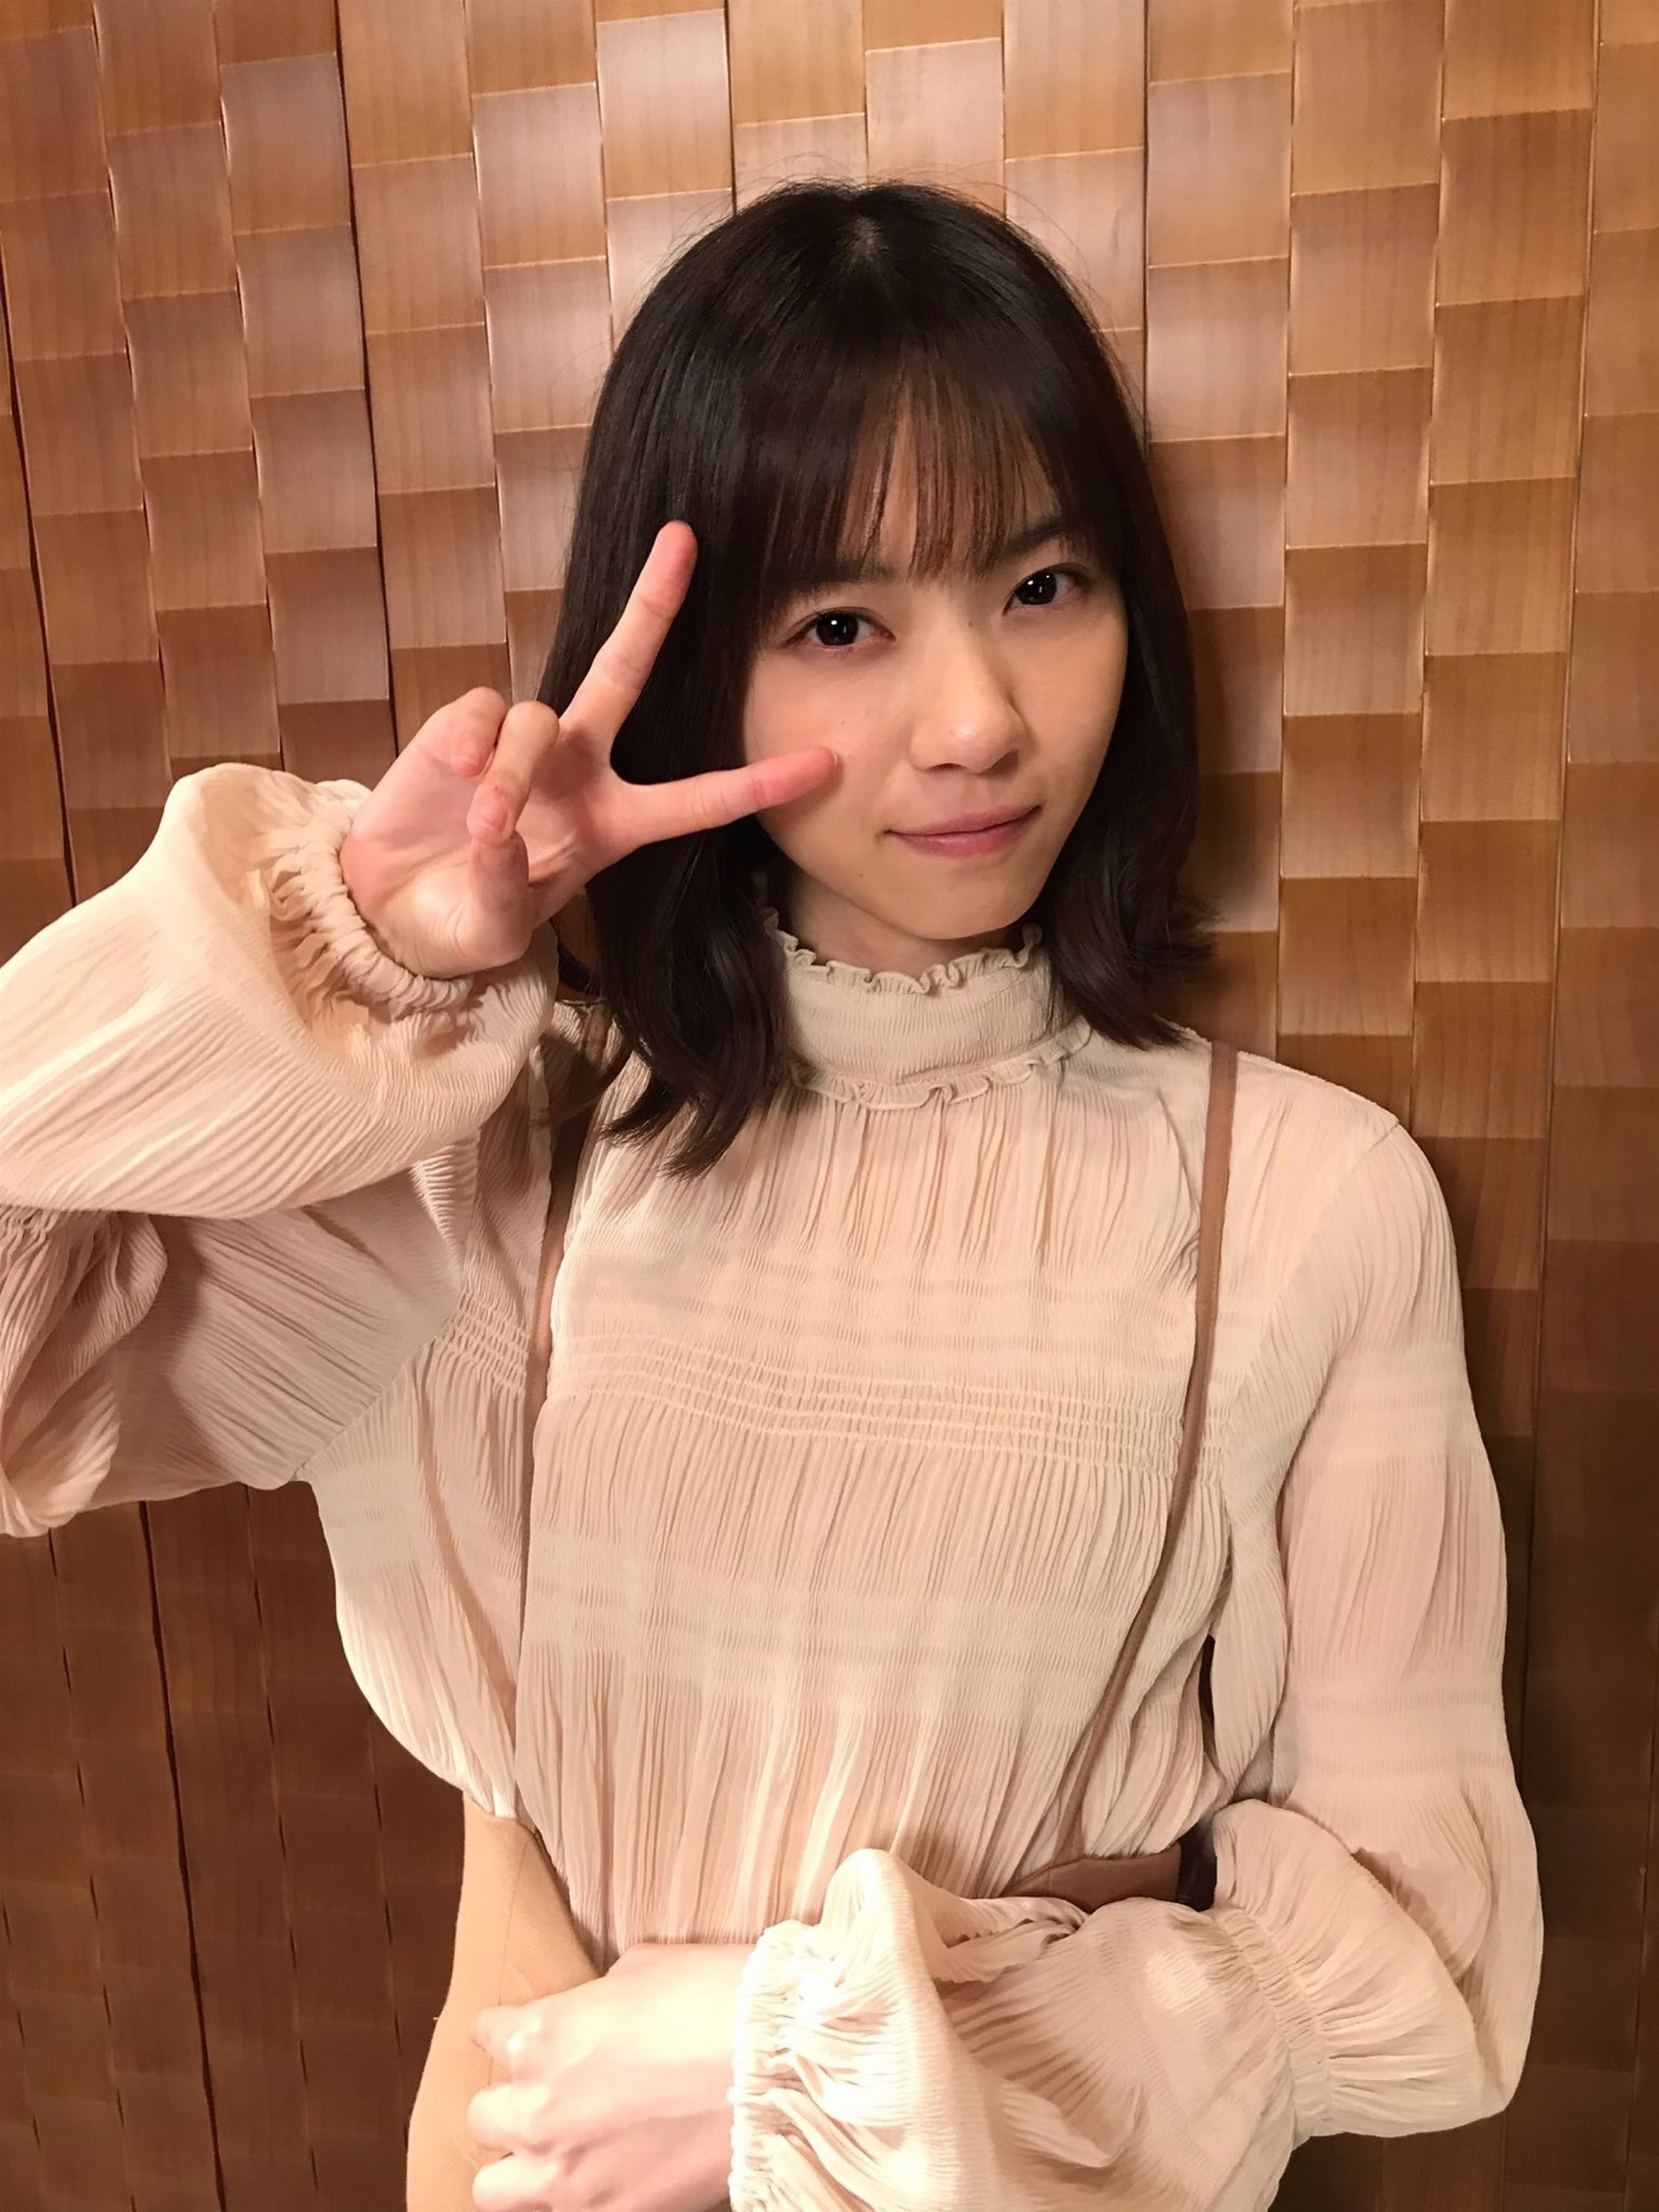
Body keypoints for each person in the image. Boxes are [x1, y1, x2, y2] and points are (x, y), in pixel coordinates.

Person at [0, 179, 1539, 2212]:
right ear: (696, 670)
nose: (977, 721)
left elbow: (1425, 1953)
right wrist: (352, 956)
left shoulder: (1309, 1205)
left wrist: (804, 2060)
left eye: (1043, 585)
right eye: (839, 626)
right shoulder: (484, 1152)